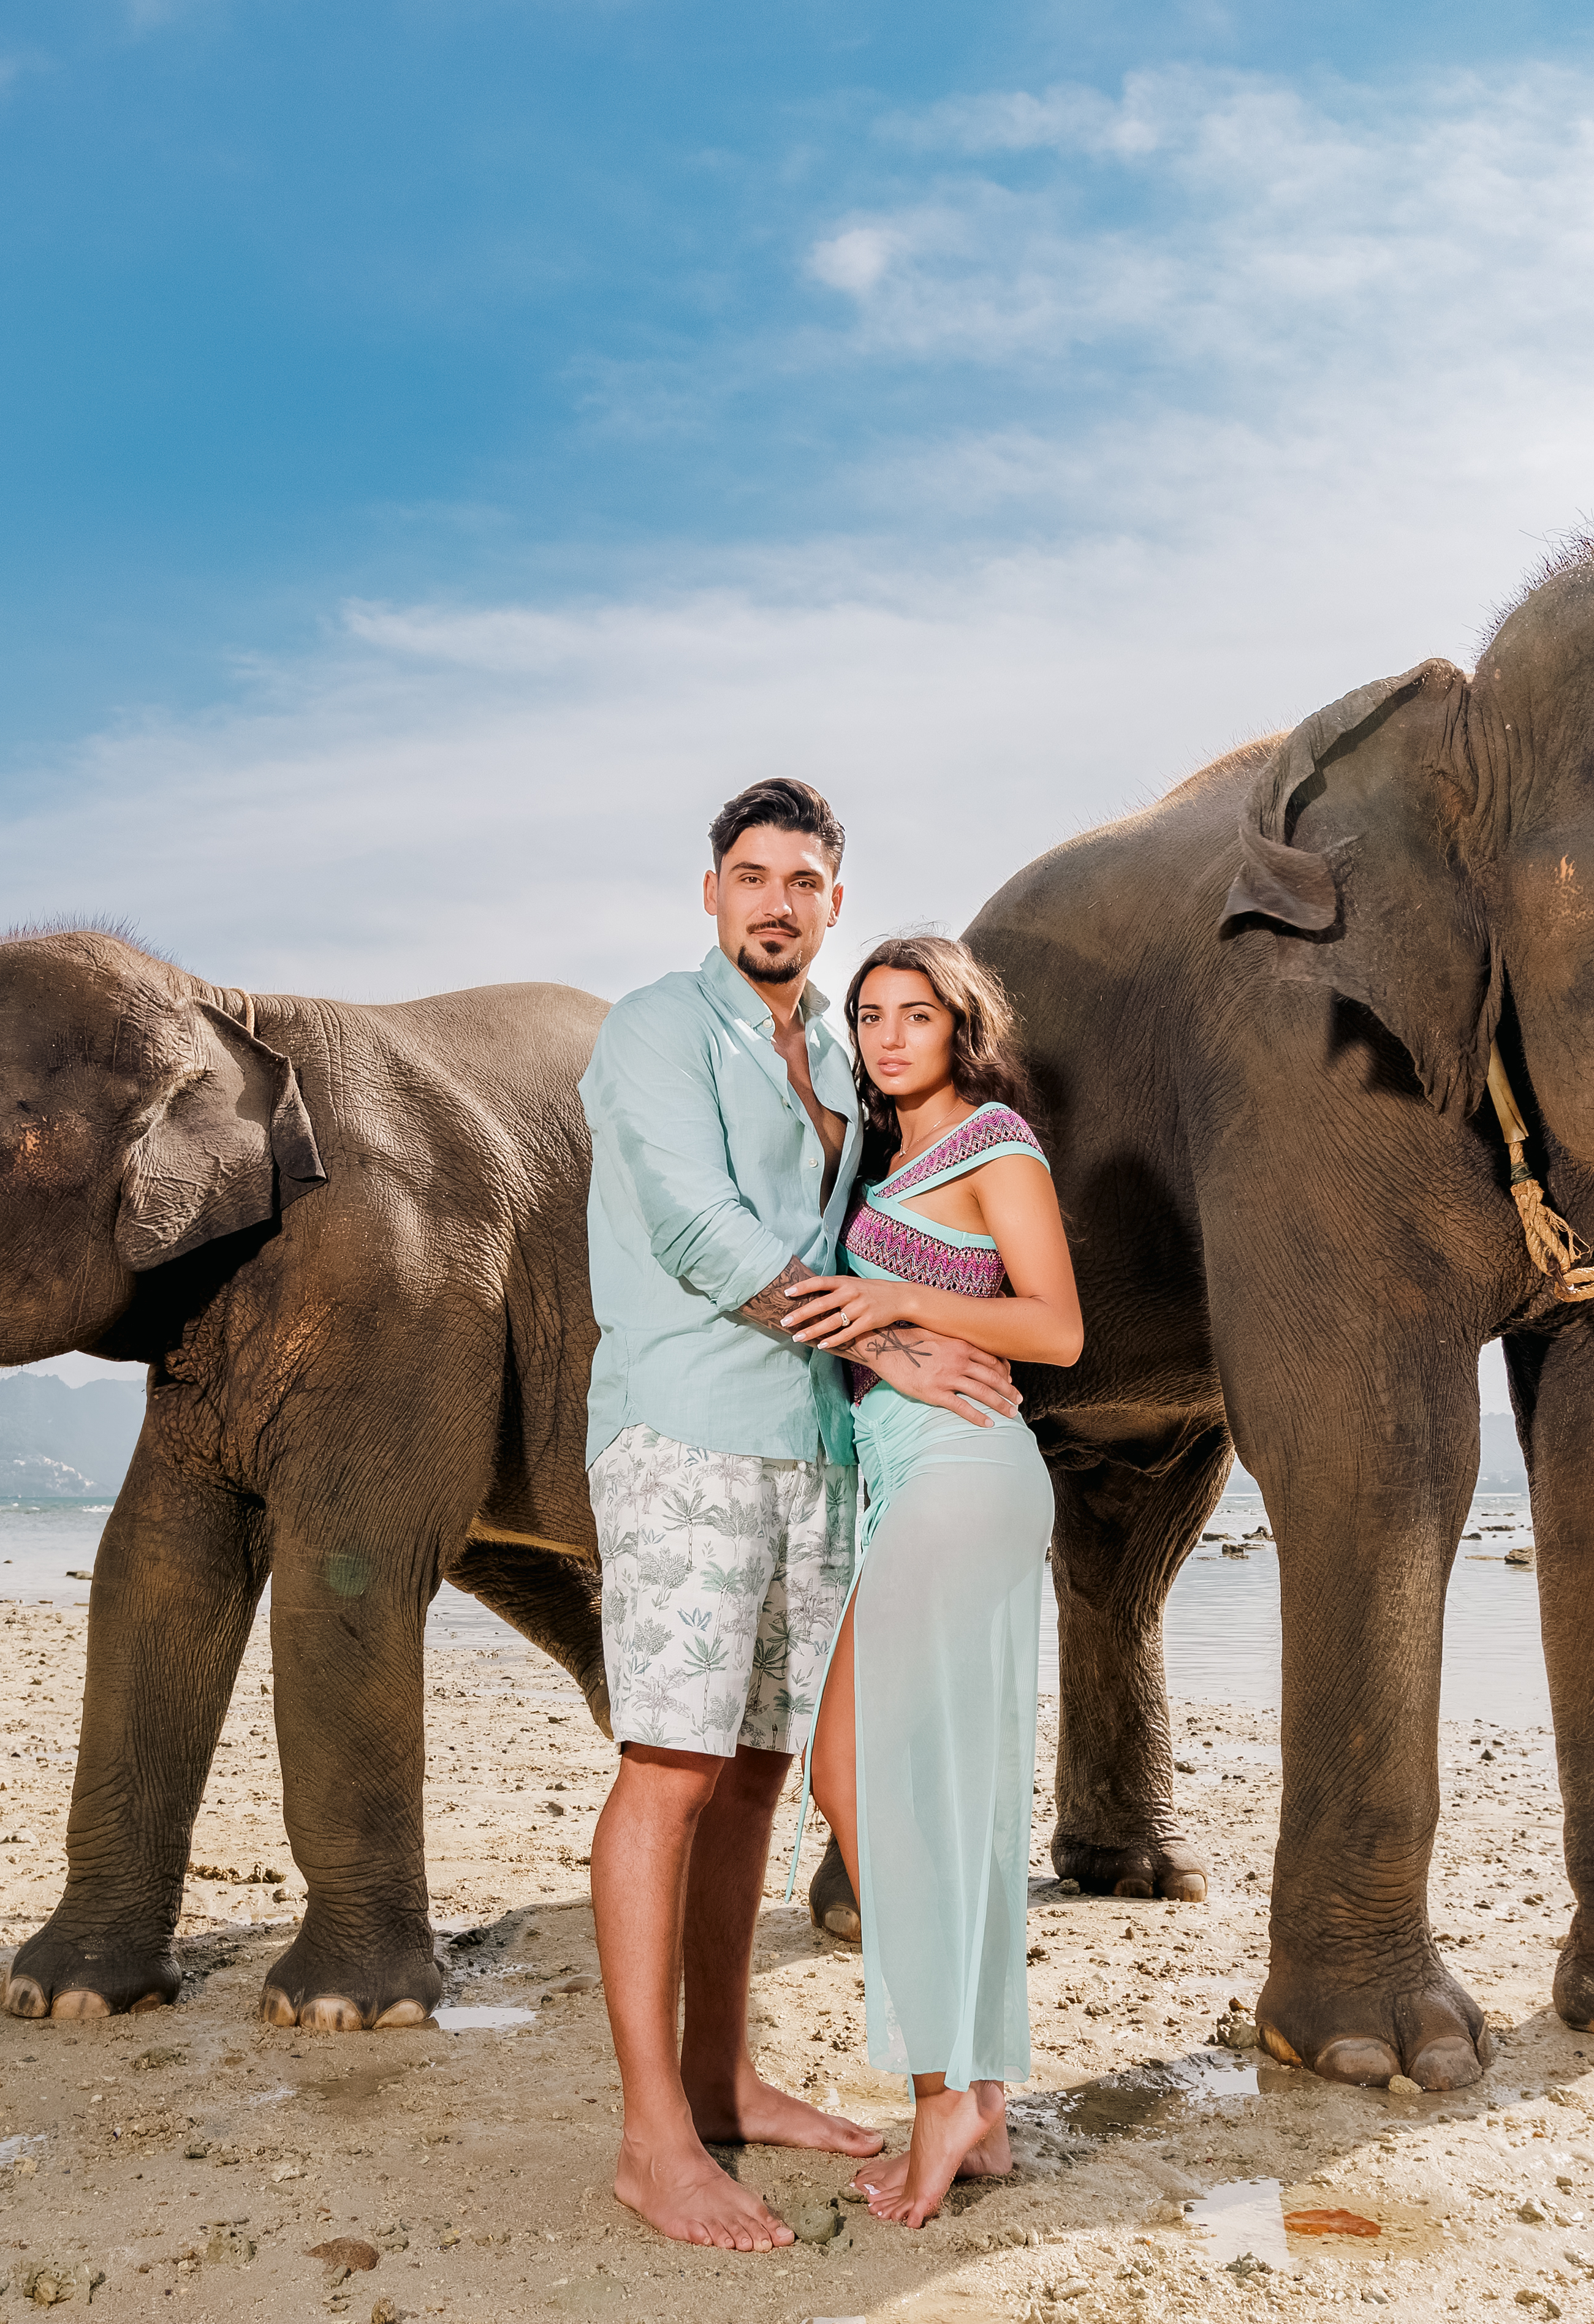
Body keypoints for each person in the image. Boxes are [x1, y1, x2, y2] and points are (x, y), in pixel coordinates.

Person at [580, 782, 1025, 2252]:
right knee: (669, 1763)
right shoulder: (656, 1029)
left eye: (805, 880)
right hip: (687, 1432)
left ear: (837, 899)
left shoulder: (850, 1047)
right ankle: (655, 2138)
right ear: (710, 892)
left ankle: (720, 2076)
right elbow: (702, 1227)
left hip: (822, 1453)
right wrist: (889, 1342)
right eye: (751, 876)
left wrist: (903, 1356)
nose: (777, 901)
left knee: (761, 1777)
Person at [783, 933, 1082, 2228]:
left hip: (968, 1472)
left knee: (864, 1779)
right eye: (870, 1015)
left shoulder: (992, 1143)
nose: (890, 1036)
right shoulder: (883, 1157)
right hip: (905, 1480)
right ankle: (982, 2103)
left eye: (916, 1014)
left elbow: (1056, 1327)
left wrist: (888, 1294)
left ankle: (942, 2096)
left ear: (962, 1026)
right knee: (919, 1791)